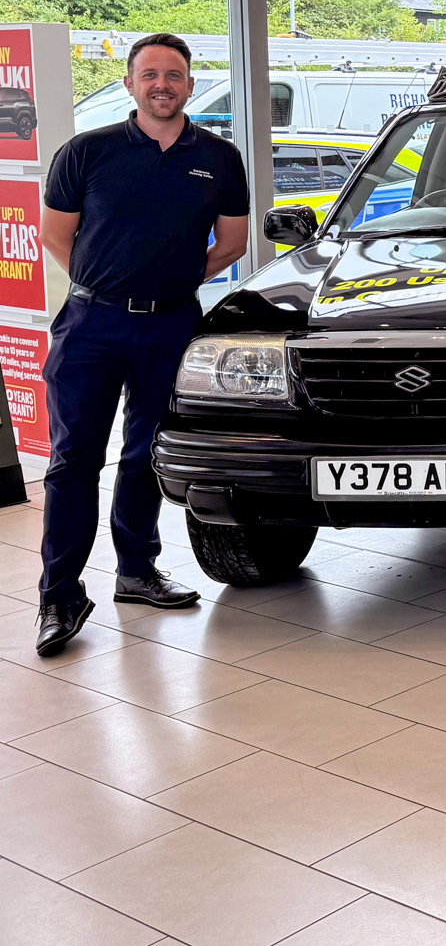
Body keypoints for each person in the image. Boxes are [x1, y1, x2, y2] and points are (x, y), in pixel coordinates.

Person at [34, 33, 248, 656]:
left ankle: (137, 572)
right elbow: (56, 235)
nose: (163, 84)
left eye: (175, 74)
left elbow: (230, 243)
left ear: (188, 83)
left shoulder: (219, 157)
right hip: (91, 326)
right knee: (73, 460)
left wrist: (171, 282)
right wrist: (113, 284)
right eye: (150, 73)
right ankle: (60, 595)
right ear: (130, 83)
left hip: (173, 325)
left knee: (147, 452)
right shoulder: (86, 152)